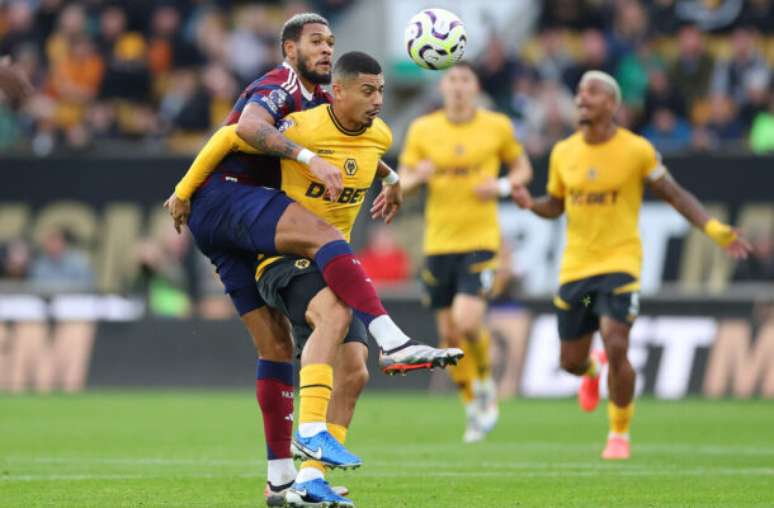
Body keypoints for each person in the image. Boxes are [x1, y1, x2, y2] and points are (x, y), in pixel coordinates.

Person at [165, 14, 461, 504]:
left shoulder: (326, 102)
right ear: (289, 48)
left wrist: (388, 179)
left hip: (224, 227)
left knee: (276, 348)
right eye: (316, 41)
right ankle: (392, 338)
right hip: (225, 196)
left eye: (331, 42)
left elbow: (355, 145)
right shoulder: (281, 84)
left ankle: (282, 481)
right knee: (322, 235)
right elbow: (245, 129)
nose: (326, 49)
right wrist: (305, 161)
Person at [512, 70, 752, 460]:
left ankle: (618, 434)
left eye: (592, 92)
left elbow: (674, 194)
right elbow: (554, 206)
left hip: (621, 264)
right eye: (579, 92)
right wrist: (530, 204)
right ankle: (591, 372)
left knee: (618, 341)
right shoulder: (563, 152)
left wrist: (712, 227)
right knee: (570, 362)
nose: (582, 98)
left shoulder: (636, 150)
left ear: (612, 103)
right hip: (576, 270)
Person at [398, 62, 533, 443]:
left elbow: (522, 168)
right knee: (448, 335)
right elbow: (401, 183)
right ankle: (473, 404)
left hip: (481, 241)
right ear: (443, 86)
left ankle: (487, 380)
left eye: (465, 80)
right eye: (452, 79)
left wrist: (503, 186)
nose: (458, 86)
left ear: (475, 87)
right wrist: (415, 178)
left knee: (468, 321)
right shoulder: (424, 129)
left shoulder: (496, 126)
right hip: (439, 244)